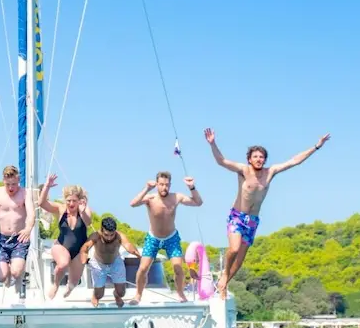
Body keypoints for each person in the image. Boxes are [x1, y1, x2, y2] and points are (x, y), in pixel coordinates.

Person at [204, 127, 330, 298]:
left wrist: (316, 146)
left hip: (253, 221)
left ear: (265, 159)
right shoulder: (243, 170)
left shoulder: (270, 172)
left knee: (240, 261)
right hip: (237, 217)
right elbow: (222, 161)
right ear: (249, 159)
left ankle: (224, 283)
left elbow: (294, 161)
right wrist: (213, 144)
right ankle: (224, 275)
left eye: (261, 157)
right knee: (233, 250)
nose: (258, 159)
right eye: (255, 156)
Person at [129, 172, 203, 303]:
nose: (164, 188)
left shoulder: (176, 197)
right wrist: (146, 188)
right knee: (143, 268)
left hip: (171, 238)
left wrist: (192, 187)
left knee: (178, 268)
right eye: (161, 184)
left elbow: (198, 202)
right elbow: (133, 204)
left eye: (167, 185)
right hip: (153, 238)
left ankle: (181, 294)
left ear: (170, 185)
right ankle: (138, 295)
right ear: (157, 184)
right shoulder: (150, 198)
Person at [0, 165, 34, 296]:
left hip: (19, 238)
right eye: (8, 184)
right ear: (4, 180)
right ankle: (8, 274)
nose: (11, 188)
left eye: (14, 184)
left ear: (18, 180)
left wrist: (28, 228)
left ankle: (18, 274)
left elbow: (31, 214)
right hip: (1, 238)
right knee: (1, 277)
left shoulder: (25, 193)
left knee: (16, 271)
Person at [38, 173, 92, 299]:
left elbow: (88, 222)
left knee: (74, 283)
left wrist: (83, 212)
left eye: (74, 201)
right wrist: (47, 186)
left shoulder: (84, 210)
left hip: (80, 250)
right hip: (61, 245)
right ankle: (56, 284)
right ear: (65, 200)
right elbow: (42, 203)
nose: (71, 203)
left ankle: (70, 286)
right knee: (62, 264)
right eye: (69, 200)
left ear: (79, 201)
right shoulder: (61, 209)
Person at [79, 217, 141, 308]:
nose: (109, 238)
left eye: (112, 235)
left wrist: (137, 254)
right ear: (101, 230)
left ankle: (116, 295)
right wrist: (83, 257)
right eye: (106, 235)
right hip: (99, 263)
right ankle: (95, 295)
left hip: (115, 262)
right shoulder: (95, 236)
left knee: (121, 293)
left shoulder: (119, 236)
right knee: (99, 295)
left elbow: (128, 245)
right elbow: (85, 247)